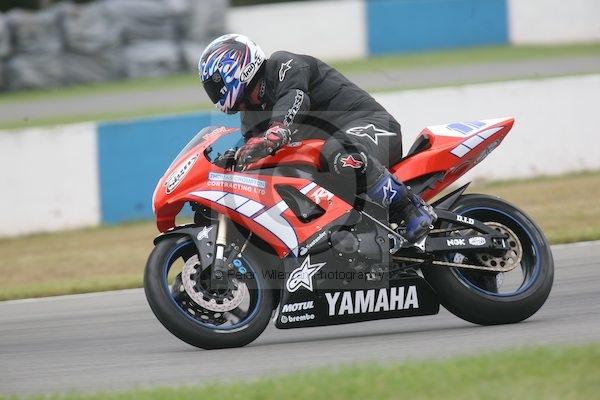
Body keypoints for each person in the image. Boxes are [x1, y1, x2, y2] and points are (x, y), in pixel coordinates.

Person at [198, 34, 436, 244]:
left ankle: (409, 207)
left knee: (338, 154)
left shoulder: (283, 65)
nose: (214, 90)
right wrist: (232, 162)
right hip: (327, 157)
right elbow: (255, 155)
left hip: (373, 126)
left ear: (237, 66)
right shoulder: (250, 116)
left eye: (216, 83)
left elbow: (295, 99)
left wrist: (275, 131)